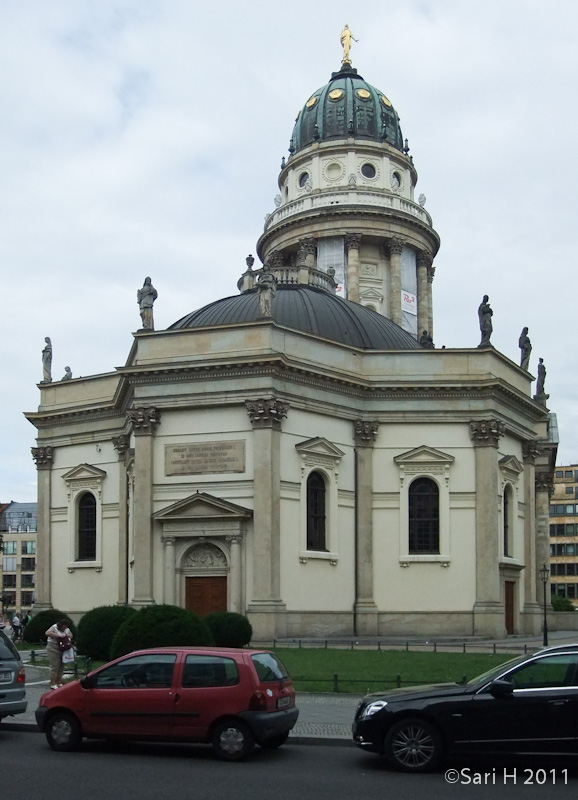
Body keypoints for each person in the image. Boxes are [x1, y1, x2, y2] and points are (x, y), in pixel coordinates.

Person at [45, 619, 73, 689]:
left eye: (66, 627)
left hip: (63, 649)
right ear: (61, 625)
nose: (65, 628)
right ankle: (52, 683)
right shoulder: (54, 627)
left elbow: (71, 635)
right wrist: (57, 635)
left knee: (61, 666)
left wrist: (68, 635)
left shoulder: (67, 629)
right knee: (55, 666)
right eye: (64, 626)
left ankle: (59, 681)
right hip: (53, 648)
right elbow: (47, 633)